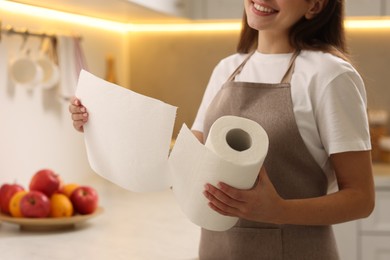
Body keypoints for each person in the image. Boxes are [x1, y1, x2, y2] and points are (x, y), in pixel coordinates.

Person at [69, 0, 375, 259]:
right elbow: (184, 165)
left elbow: (361, 198)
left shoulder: (330, 76)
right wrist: (102, 127)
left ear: (315, 5)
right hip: (216, 249)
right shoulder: (228, 69)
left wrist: (278, 210)